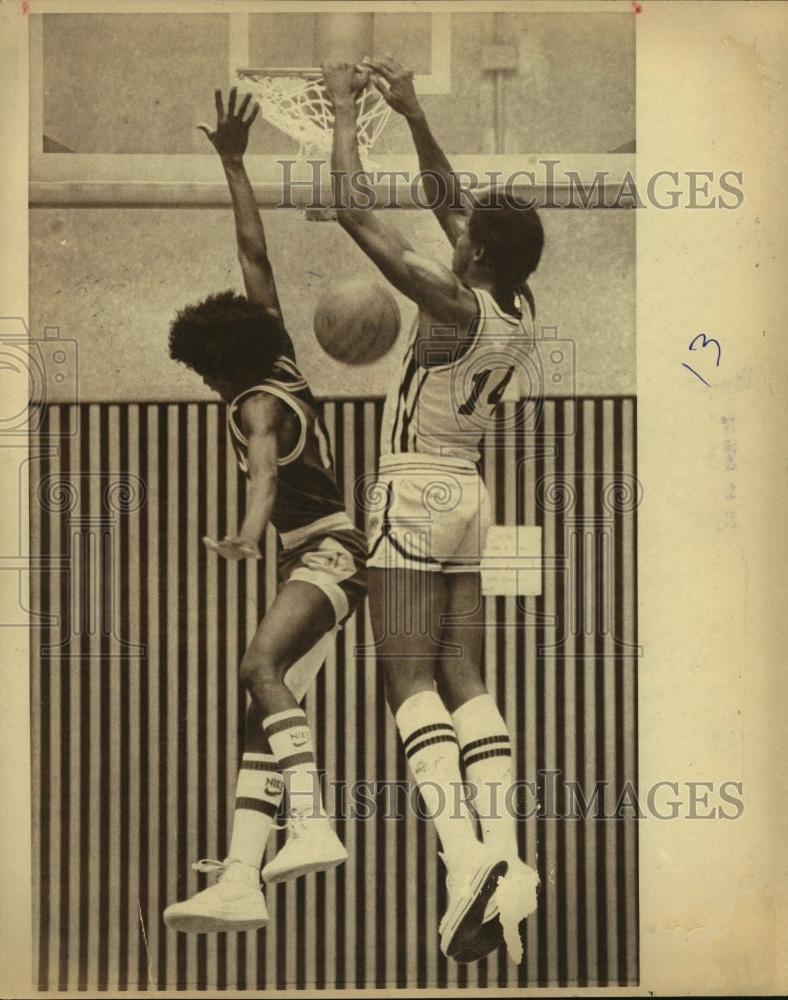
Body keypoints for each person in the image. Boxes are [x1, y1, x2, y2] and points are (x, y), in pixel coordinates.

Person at [322, 59, 543, 964]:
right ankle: (506, 856)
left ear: (476, 255)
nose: (453, 231)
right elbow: (449, 198)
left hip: (413, 486)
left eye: (464, 234)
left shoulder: (451, 301)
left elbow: (353, 210)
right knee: (467, 679)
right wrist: (412, 112)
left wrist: (347, 114)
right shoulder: (517, 302)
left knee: (406, 682)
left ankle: (464, 863)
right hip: (471, 495)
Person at [162, 88, 367, 933]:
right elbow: (257, 257)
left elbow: (262, 481)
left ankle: (313, 823)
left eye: (201, 374)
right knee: (266, 710)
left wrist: (245, 535)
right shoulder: (277, 351)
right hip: (323, 556)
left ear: (216, 368)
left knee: (256, 666)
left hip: (332, 553)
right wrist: (235, 165)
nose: (204, 385)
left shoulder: (251, 402)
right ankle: (242, 877)